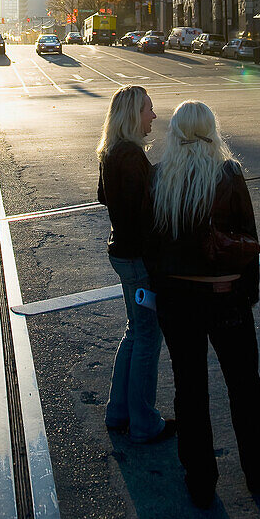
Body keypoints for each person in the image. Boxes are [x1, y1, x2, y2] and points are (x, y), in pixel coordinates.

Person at [144, 100, 260, 507]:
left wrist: (162, 291)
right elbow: (248, 240)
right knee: (244, 386)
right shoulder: (227, 173)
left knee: (190, 389)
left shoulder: (159, 177)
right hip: (225, 298)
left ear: (176, 132)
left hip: (178, 300)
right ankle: (258, 469)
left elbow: (152, 247)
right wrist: (249, 293)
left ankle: (200, 479)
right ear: (212, 130)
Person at [97, 85, 175, 444]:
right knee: (147, 337)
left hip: (121, 254)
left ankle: (119, 412)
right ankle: (144, 422)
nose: (154, 117)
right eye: (148, 110)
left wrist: (152, 173)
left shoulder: (113, 151)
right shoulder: (130, 156)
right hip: (138, 258)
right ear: (133, 115)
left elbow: (104, 196)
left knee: (134, 331)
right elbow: (145, 217)